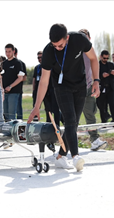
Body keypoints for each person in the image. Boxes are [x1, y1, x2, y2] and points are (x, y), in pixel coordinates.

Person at [28, 24, 100, 171]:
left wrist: (96, 81)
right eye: (55, 45)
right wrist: (37, 107)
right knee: (69, 119)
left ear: (67, 38)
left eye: (60, 45)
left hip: (80, 85)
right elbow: (44, 81)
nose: (58, 48)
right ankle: (75, 156)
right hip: (61, 87)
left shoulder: (79, 39)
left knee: (74, 124)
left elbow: (93, 58)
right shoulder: (49, 51)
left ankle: (60, 156)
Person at [79, 29, 107, 151]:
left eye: (85, 37)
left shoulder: (92, 52)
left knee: (91, 115)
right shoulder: (75, 52)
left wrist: (97, 83)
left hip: (89, 87)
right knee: (72, 116)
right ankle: (68, 142)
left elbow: (96, 68)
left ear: (89, 39)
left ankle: (94, 140)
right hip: (77, 88)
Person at [32, 51, 61, 125]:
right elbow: (34, 79)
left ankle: (57, 125)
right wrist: (34, 90)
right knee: (47, 109)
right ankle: (49, 125)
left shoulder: (50, 66)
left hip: (52, 90)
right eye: (38, 57)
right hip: (42, 91)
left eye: (41, 57)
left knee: (55, 109)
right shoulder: (37, 68)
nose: (40, 59)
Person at [2, 44, 24, 121]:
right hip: (4, 92)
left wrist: (10, 86)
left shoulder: (18, 63)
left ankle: (13, 132)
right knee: (5, 114)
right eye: (6, 51)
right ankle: (7, 131)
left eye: (9, 51)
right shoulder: (3, 63)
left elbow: (20, 78)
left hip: (14, 92)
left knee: (12, 115)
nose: (7, 53)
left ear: (13, 51)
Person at [96, 50, 114, 123]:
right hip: (101, 88)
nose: (106, 60)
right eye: (104, 58)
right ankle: (104, 121)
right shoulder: (97, 65)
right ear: (101, 57)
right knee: (102, 106)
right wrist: (102, 76)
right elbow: (94, 76)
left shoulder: (110, 65)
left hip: (110, 88)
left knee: (112, 105)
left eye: (107, 58)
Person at [14, 48, 26, 120]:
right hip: (8, 91)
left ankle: (20, 125)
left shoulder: (21, 63)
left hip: (17, 90)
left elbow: (24, 77)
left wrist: (17, 79)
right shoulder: (6, 63)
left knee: (18, 109)